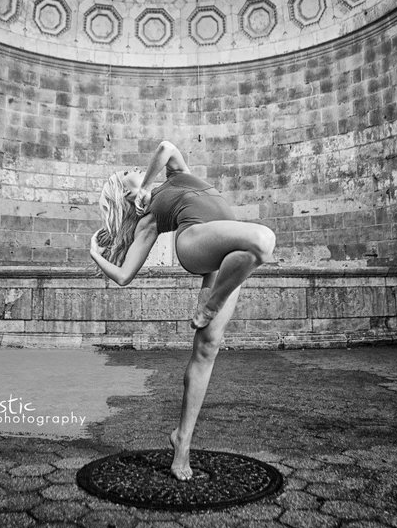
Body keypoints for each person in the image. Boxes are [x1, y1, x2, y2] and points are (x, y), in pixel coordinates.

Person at [89, 140, 277, 481]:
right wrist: (95, 254)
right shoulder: (148, 219)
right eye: (128, 172)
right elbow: (124, 276)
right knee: (263, 240)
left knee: (207, 348)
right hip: (195, 244)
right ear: (123, 192)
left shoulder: (176, 175)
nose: (136, 169)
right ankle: (212, 303)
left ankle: (182, 441)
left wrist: (145, 186)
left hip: (229, 261)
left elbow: (166, 147)